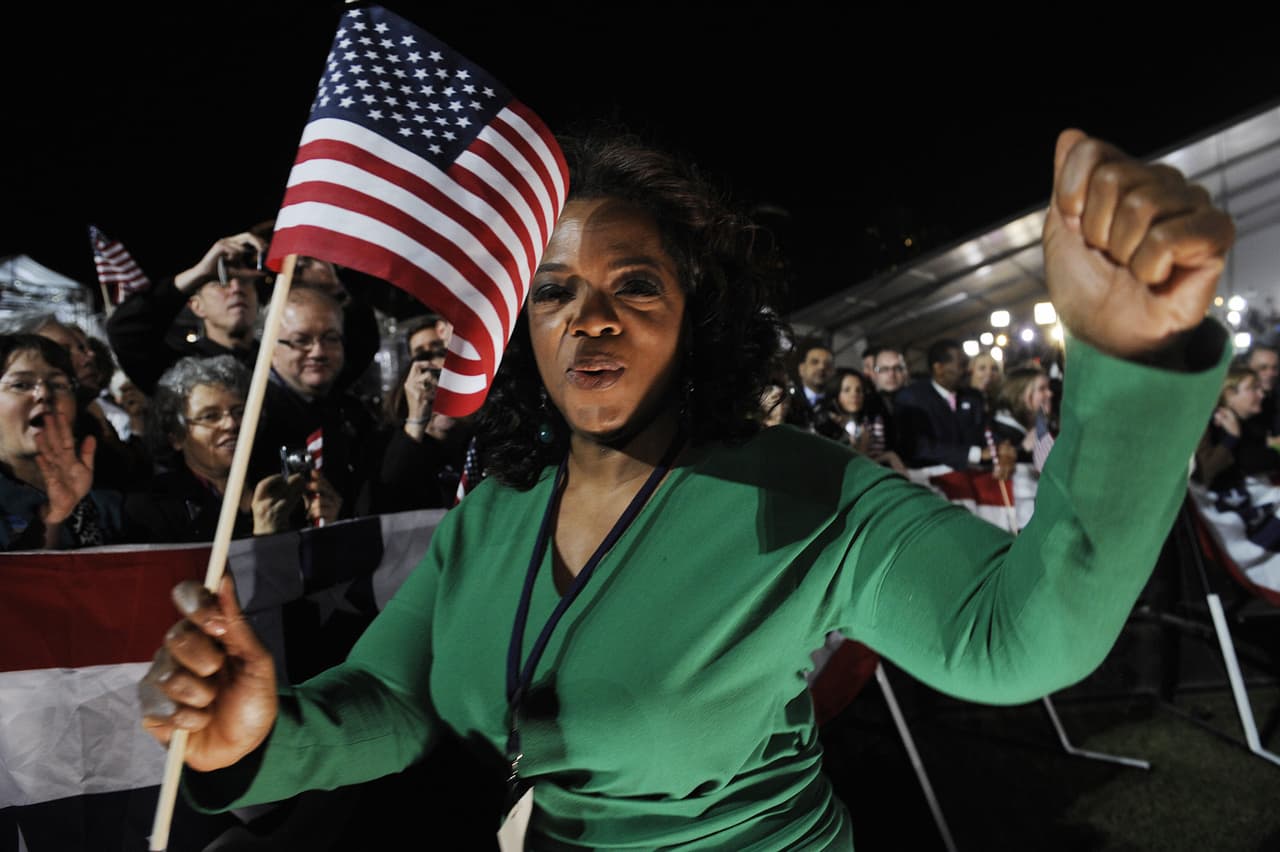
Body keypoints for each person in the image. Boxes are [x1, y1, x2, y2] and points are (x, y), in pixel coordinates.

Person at [139, 127, 1235, 851]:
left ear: (696, 316)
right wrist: (257, 735)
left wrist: (1126, 364)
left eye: (635, 285)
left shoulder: (802, 492)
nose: (592, 318)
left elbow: (1015, 639)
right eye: (556, 292)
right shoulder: (495, 512)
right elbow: (399, 702)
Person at [104, 224, 381, 397]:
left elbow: (357, 348)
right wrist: (200, 272)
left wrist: (335, 288)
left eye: (246, 282)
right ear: (195, 305)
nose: (236, 288)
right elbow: (127, 331)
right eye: (221, 282)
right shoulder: (178, 366)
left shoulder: (283, 359)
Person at [122, 355, 332, 543]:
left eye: (240, 412)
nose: (231, 424)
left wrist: (326, 526)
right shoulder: (154, 507)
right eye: (210, 416)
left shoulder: (283, 486)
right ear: (176, 436)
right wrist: (262, 538)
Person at [0, 334, 122, 549]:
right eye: (21, 384)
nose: (44, 394)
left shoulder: (110, 506)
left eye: (58, 385)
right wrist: (52, 519)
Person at [892, 338, 996, 470]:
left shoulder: (973, 397)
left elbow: (987, 431)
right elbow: (918, 446)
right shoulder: (912, 399)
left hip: (974, 474)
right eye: (961, 365)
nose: (967, 371)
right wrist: (974, 454)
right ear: (939, 368)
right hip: (931, 477)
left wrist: (1000, 448)